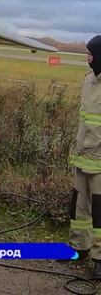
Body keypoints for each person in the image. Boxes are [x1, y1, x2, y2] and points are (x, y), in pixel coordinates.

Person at [68, 35, 101, 278]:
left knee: (100, 213)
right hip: (82, 157)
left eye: (90, 53)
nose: (87, 57)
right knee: (79, 207)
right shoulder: (88, 80)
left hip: (100, 161)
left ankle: (99, 260)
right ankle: (78, 247)